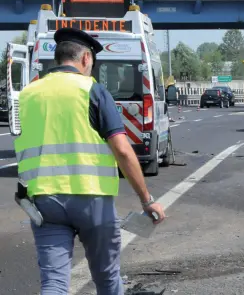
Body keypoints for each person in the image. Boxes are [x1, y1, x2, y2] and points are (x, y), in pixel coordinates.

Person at [14, 27, 166, 294]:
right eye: (92, 64)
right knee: (106, 278)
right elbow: (121, 150)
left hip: (44, 201)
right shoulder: (92, 90)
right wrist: (146, 199)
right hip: (91, 199)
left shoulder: (28, 94)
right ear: (85, 59)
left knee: (54, 283)